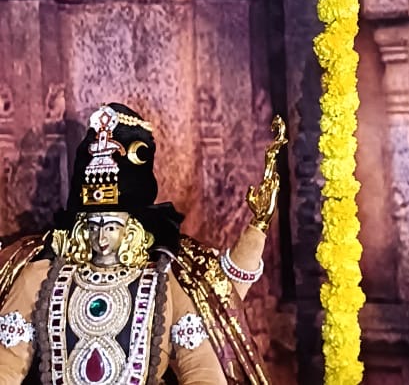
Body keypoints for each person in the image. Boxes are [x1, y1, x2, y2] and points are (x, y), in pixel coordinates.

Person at [0, 102, 287, 385]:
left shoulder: (167, 283)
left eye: (111, 226)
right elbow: (6, 366)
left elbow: (201, 370)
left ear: (133, 227)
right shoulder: (39, 278)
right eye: (93, 225)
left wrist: (257, 231)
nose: (101, 238)